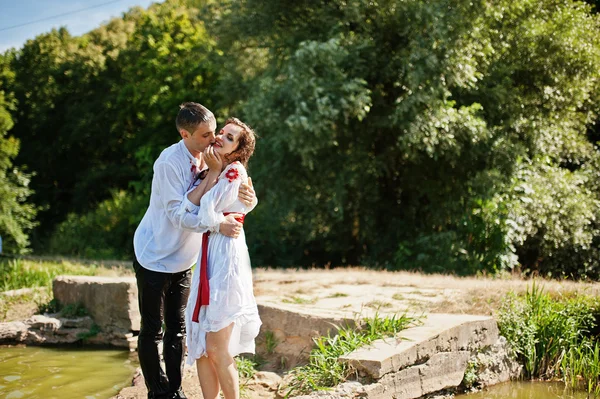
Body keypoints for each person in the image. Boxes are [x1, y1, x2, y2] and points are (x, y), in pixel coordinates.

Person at [133, 103, 256, 399]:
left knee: (179, 329)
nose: (213, 139)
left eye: (218, 133)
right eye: (207, 135)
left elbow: (232, 197)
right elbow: (180, 215)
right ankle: (158, 392)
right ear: (184, 134)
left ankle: (175, 391)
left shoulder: (213, 158)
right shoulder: (169, 163)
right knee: (152, 329)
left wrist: (249, 202)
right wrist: (218, 220)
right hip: (156, 254)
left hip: (188, 258)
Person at [185, 117, 261, 399]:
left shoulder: (233, 172)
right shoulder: (216, 168)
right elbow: (197, 211)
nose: (220, 138)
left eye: (230, 138)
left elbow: (204, 214)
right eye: (223, 133)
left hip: (225, 256)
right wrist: (213, 171)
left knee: (216, 348)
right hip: (210, 252)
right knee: (202, 350)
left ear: (237, 151)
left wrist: (216, 175)